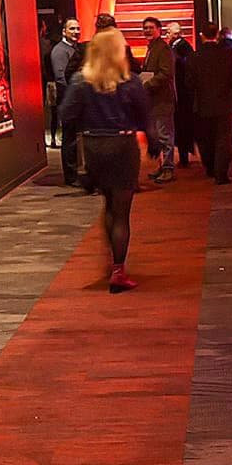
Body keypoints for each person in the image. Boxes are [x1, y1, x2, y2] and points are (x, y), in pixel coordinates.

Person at [59, 28, 154, 292]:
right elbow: (145, 115)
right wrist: (152, 140)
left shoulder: (80, 80)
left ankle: (110, 261)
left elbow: (66, 114)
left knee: (109, 205)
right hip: (123, 146)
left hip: (93, 146)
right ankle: (118, 270)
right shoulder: (131, 81)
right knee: (122, 212)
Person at [183, 22, 232, 181]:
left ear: (202, 36)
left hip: (202, 104)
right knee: (223, 139)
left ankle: (210, 168)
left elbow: (189, 83)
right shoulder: (228, 54)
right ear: (217, 36)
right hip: (225, 103)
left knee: (205, 139)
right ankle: (221, 174)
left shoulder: (194, 57)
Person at [138, 16, 179, 182]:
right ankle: (163, 166)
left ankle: (168, 168)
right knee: (159, 134)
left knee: (165, 135)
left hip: (163, 99)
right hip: (154, 100)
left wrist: (146, 84)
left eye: (150, 28)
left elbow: (166, 73)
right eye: (145, 28)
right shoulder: (152, 48)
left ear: (159, 30)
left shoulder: (163, 49)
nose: (147, 30)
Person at [48, 16, 84, 185]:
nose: (76, 32)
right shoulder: (59, 51)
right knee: (69, 139)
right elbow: (61, 78)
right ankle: (71, 176)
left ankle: (77, 172)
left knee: (75, 139)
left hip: (76, 101)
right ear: (64, 31)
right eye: (72, 29)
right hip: (68, 101)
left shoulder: (76, 49)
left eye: (77, 28)